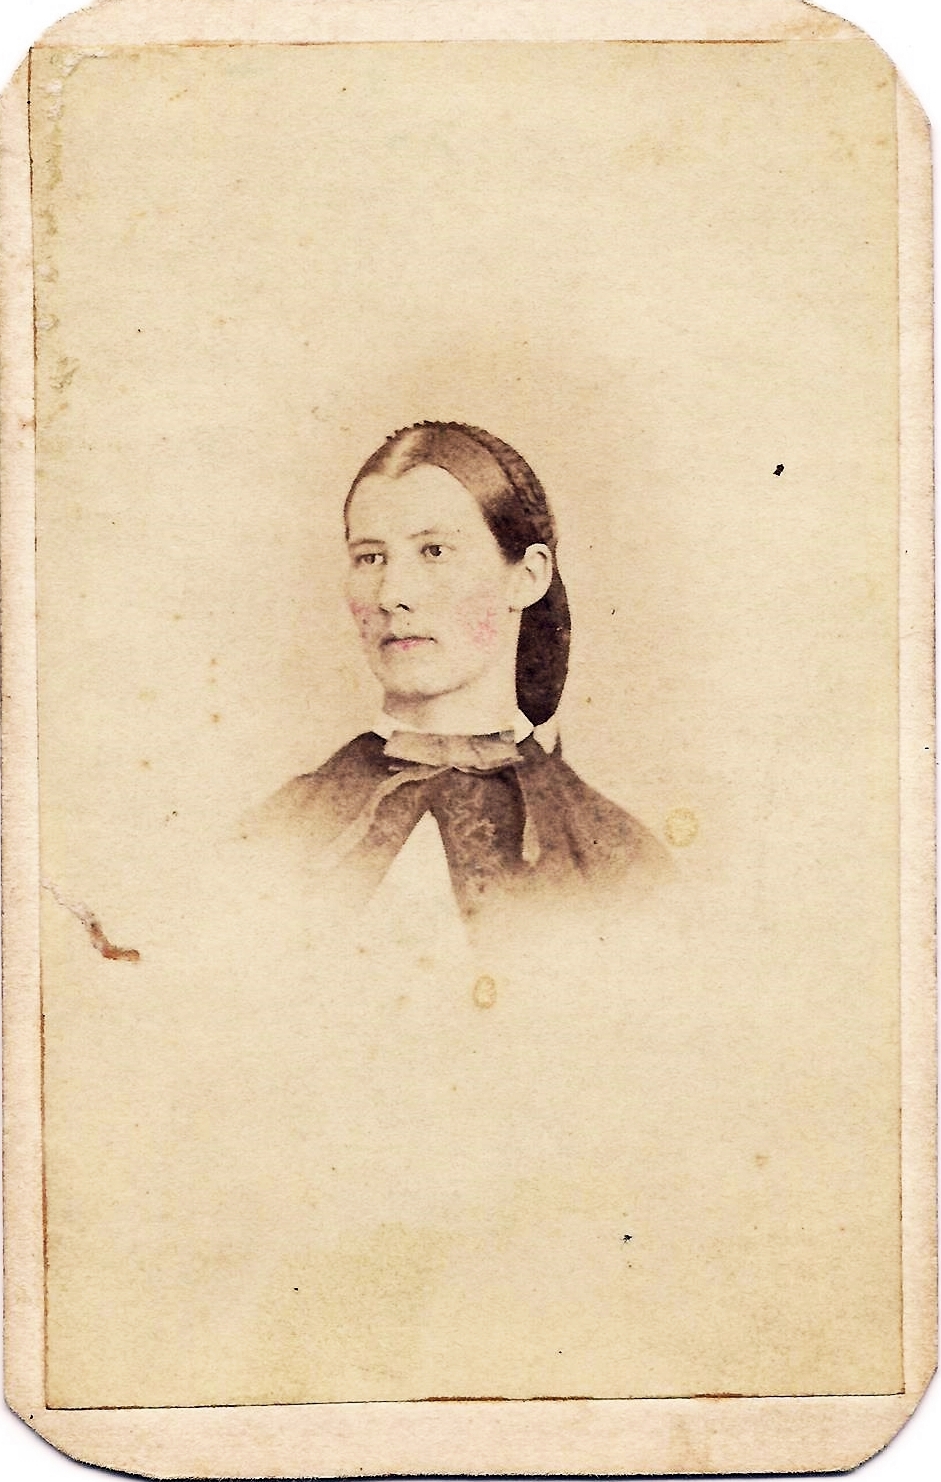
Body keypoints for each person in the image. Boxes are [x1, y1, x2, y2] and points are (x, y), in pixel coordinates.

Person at [260, 422, 670, 934]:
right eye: (370, 557)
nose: (391, 595)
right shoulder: (276, 834)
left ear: (528, 577)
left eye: (434, 551)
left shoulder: (617, 860)